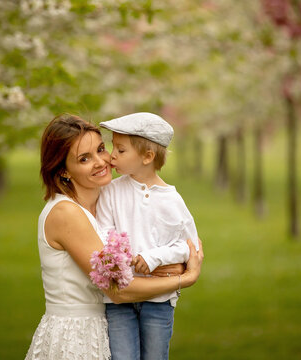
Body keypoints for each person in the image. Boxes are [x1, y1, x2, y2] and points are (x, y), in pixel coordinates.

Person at [24, 114, 203, 360]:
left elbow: (165, 241)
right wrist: (186, 277)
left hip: (105, 329)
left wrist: (165, 259)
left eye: (100, 149)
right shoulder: (66, 213)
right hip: (77, 340)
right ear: (64, 170)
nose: (101, 162)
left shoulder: (107, 201)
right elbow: (119, 289)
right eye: (84, 158)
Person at [96, 112, 199, 360]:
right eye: (112, 147)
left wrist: (153, 257)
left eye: (120, 150)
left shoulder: (171, 200)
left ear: (147, 157)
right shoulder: (110, 192)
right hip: (119, 302)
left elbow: (188, 246)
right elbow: (103, 234)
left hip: (159, 300)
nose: (111, 156)